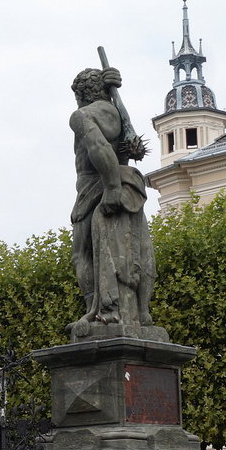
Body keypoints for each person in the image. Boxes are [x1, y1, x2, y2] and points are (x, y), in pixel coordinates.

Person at [67, 65, 157, 336]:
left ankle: (94, 310)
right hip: (130, 183)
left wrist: (112, 187)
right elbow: (134, 148)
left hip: (96, 188)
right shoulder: (118, 114)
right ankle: (142, 312)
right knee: (138, 247)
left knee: (82, 253)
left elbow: (99, 147)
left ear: (82, 93)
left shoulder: (82, 115)